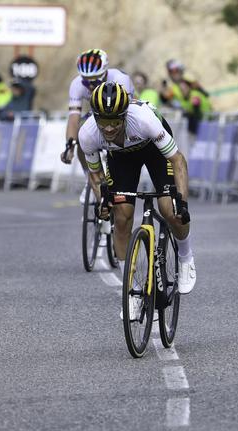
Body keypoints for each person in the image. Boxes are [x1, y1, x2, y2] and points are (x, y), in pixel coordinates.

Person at [78, 81, 196, 295]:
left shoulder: (144, 120)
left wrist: (182, 202)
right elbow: (95, 176)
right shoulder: (87, 134)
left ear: (124, 115)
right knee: (121, 217)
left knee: (170, 209)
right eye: (103, 121)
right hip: (121, 158)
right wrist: (103, 200)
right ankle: (130, 289)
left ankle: (186, 257)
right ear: (95, 118)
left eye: (115, 121)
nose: (109, 128)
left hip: (153, 149)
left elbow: (178, 161)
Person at [60, 48, 134, 196]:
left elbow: (126, 115)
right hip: (98, 113)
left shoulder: (120, 79)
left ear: (105, 73)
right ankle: (90, 179)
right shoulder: (76, 84)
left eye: (95, 80)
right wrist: (69, 146)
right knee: (82, 133)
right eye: (86, 81)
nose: (90, 85)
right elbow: (73, 118)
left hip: (122, 112)